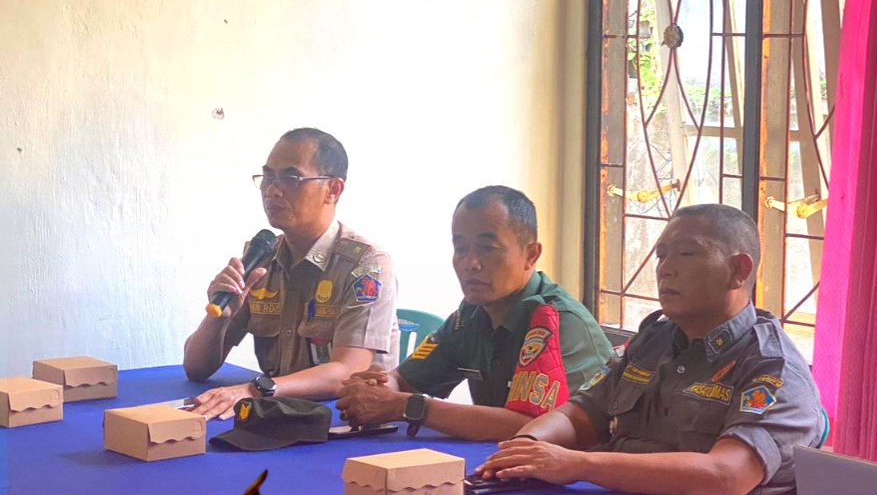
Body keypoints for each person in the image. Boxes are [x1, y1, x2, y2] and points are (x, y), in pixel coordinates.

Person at [476, 203, 825, 495]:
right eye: (661, 255)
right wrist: (527, 446)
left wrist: (581, 465)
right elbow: (579, 415)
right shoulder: (654, 339)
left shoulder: (771, 366)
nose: (665, 269)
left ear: (738, 270)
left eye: (686, 253)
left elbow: (724, 478)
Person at [336, 186, 614, 440]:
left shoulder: (560, 321)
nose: (470, 263)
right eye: (460, 248)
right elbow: (405, 380)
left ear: (531, 255)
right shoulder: (469, 316)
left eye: (487, 248)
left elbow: (536, 428)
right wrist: (377, 387)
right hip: (501, 462)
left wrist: (410, 407)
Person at [184, 128, 398, 418]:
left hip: (346, 420)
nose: (272, 190)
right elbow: (196, 369)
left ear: (333, 190)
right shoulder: (261, 257)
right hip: (279, 414)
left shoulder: (366, 266)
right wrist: (219, 318)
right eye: (268, 177)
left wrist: (256, 389)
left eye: (290, 178)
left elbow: (347, 372)